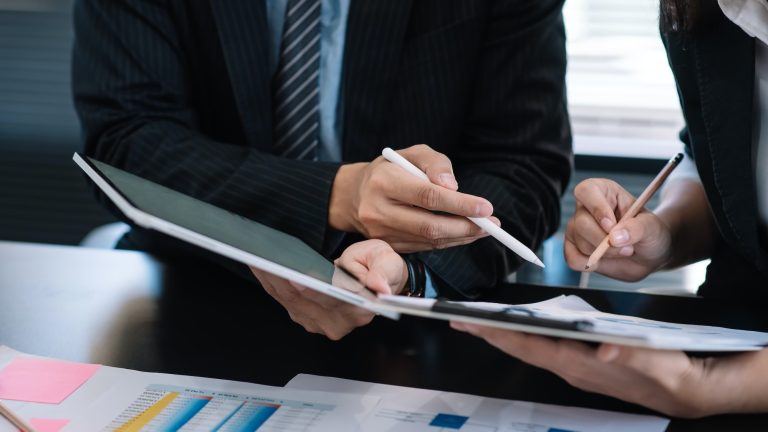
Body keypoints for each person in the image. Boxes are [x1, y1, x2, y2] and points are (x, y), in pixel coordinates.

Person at [72, 1, 571, 340]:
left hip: (420, 321)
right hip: (195, 291)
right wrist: (334, 195)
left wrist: (411, 274)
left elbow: (523, 166)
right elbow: (125, 143)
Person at [447, 0, 768, 418]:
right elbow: (719, 163)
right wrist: (663, 235)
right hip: (737, 321)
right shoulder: (707, 11)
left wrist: (717, 385)